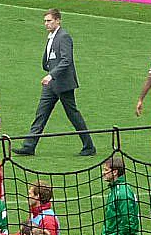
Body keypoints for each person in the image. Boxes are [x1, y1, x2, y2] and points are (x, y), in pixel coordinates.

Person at [14, 9, 96, 157]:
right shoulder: (52, 36)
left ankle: (89, 146)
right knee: (41, 113)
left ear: (58, 20)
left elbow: (66, 60)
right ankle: (29, 146)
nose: (46, 24)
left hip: (63, 84)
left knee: (73, 114)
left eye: (49, 20)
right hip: (52, 84)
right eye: (45, 21)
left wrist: (51, 75)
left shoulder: (63, 37)